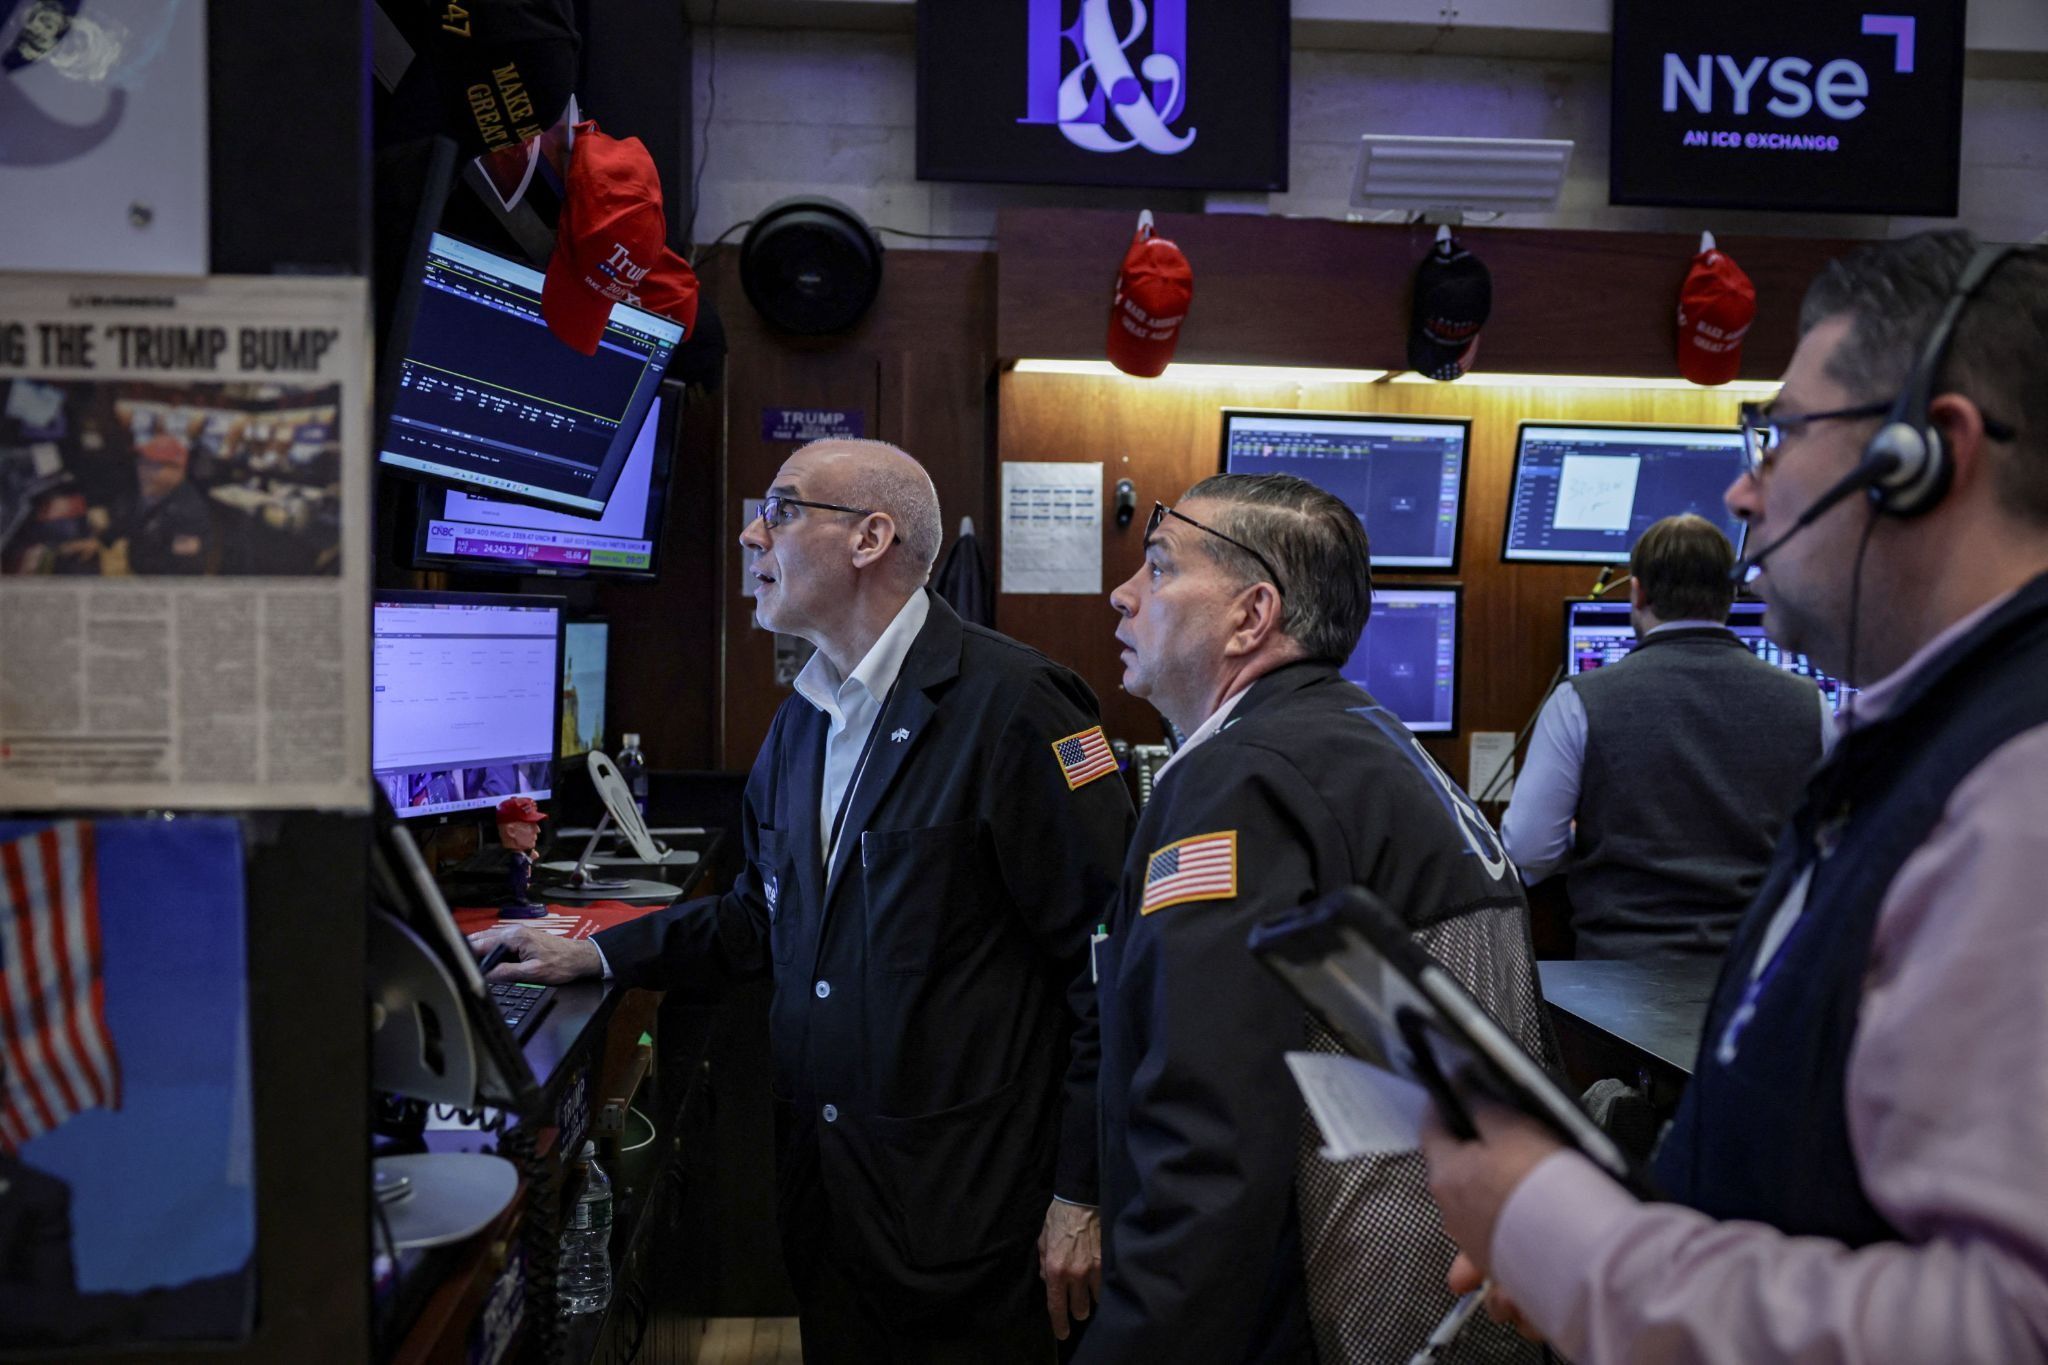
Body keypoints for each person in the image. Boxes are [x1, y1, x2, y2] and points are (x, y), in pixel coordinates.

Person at [1422, 230, 2048, 1363]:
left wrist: (1571, 1243)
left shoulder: (2021, 787)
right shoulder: (1904, 734)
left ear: (1919, 454)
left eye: (1779, 434)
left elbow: (1996, 1328)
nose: (1742, 484)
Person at [471, 438, 1133, 1363]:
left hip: (973, 1218)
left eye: (780, 508)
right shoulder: (802, 716)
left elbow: (1110, 969)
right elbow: (759, 915)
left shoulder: (1018, 705)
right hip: (831, 1208)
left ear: (870, 536)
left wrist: (1084, 1193)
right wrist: (599, 953)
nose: (750, 534)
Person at [1079, 474, 1549, 1364]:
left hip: (1349, 1310)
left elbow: (1211, 1122)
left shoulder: (1244, 777)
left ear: (1251, 616)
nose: (1124, 593)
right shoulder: (1366, 740)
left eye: (1158, 567)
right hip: (1451, 1293)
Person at [1500, 513, 1833, 959]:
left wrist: (1604, 837)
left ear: (1636, 592)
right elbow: (1833, 846)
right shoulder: (1810, 703)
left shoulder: (1578, 700)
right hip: (1755, 976)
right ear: (1732, 593)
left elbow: (1528, 849)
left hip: (1617, 988)